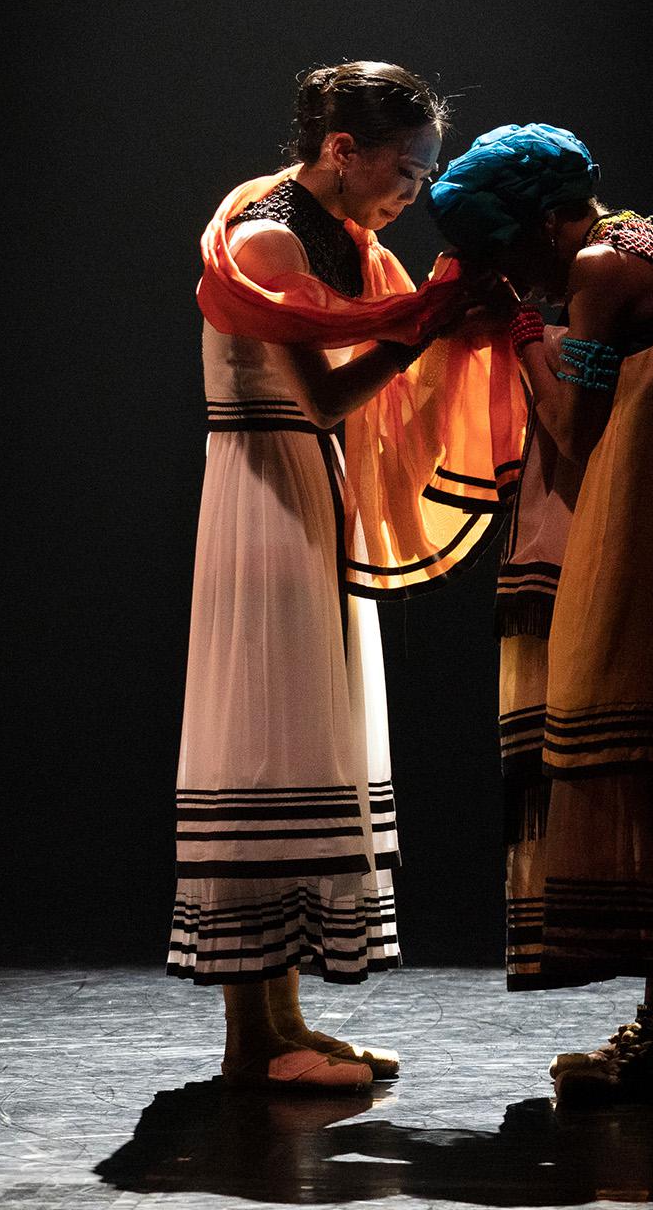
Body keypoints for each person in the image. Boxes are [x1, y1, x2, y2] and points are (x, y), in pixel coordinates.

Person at [430, 124, 653, 1103]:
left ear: (546, 220)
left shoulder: (599, 266)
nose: (520, 272)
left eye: (513, 249)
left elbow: (570, 424)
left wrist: (515, 330)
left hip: (652, 552)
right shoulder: (639, 240)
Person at [169, 61, 472, 1090]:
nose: (414, 192)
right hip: (263, 482)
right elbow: (326, 391)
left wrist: (429, 320)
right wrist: (424, 325)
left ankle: (285, 1024)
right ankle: (253, 1041)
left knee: (300, 735)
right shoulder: (266, 236)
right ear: (344, 148)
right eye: (409, 169)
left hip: (298, 479)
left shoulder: (335, 239)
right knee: (265, 737)